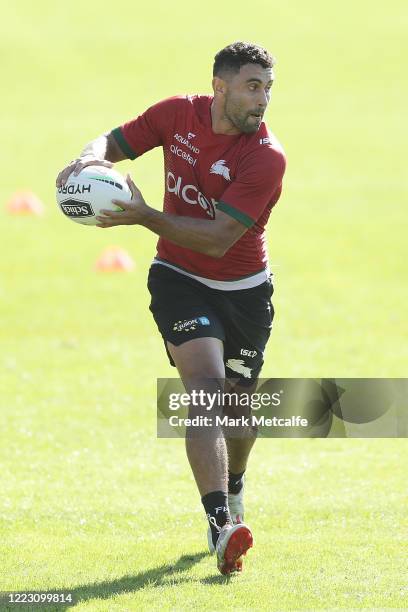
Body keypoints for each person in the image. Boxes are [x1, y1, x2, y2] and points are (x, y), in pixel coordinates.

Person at [56, 41, 286, 575]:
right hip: (179, 278)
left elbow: (219, 238)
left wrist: (142, 214)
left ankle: (233, 485)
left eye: (268, 89)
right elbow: (112, 141)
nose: (263, 99)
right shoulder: (175, 114)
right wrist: (86, 160)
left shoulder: (266, 156)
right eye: (253, 87)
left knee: (238, 407)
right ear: (220, 87)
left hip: (245, 289)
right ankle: (219, 524)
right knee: (204, 389)